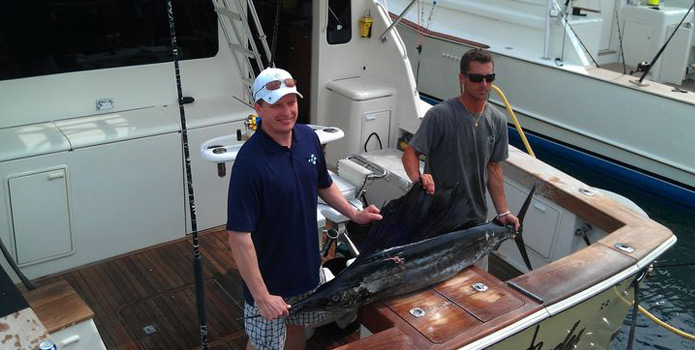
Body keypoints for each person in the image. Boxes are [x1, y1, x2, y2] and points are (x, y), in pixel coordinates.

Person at [226, 67, 382, 350]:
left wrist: (354, 213)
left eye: (291, 102)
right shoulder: (249, 163)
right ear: (258, 108)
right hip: (270, 281)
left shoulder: (308, 138)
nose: (286, 111)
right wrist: (261, 296)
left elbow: (323, 183)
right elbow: (238, 237)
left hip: (306, 269)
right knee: (264, 344)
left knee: (298, 328)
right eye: (276, 105)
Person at [402, 48, 520, 231]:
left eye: (489, 78)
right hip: (436, 219)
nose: (483, 84)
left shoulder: (498, 120)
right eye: (476, 78)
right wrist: (418, 180)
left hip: (476, 222)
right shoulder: (439, 115)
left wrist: (503, 212)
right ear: (462, 78)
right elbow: (411, 152)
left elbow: (494, 168)